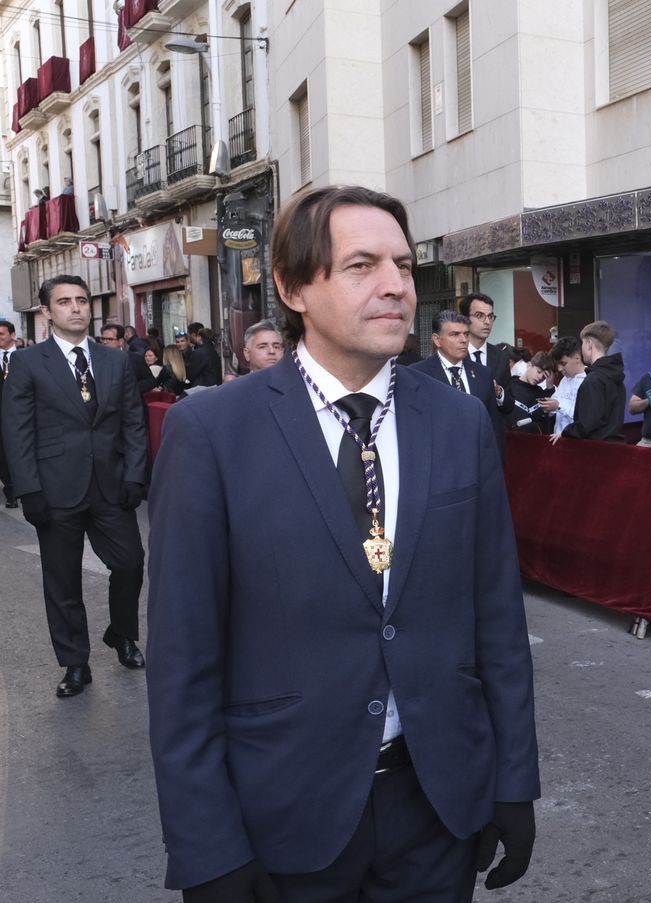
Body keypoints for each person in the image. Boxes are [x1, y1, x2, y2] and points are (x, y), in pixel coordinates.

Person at [145, 184, 539, 901]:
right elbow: (182, 662)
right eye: (362, 266)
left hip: (436, 806)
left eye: (403, 266)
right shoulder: (213, 433)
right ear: (295, 288)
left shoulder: (458, 422)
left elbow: (497, 620)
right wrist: (206, 845)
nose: (394, 286)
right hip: (284, 814)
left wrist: (513, 779)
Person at [1, 274, 149, 698]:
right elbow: (17, 431)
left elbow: (133, 423)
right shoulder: (28, 364)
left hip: (110, 486)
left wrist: (135, 475)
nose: (77, 308)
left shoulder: (115, 361)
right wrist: (29, 490)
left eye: (82, 300)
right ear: (47, 312)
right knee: (62, 581)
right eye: (65, 302)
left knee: (129, 563)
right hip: (54, 488)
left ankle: (122, 634)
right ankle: (75, 663)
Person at [412, 310, 503, 454]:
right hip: (437, 463)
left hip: (477, 462)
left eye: (466, 334)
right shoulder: (417, 375)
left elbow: (493, 427)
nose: (464, 340)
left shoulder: (483, 374)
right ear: (437, 339)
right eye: (455, 334)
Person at [557, 320, 626, 442]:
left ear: (589, 344)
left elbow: (587, 424)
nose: (581, 348)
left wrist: (565, 432)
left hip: (595, 451)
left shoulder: (594, 380)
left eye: (582, 343)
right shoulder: (616, 377)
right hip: (615, 448)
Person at [460, 292, 517, 429]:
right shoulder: (455, 354)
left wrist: (499, 393)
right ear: (464, 319)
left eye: (490, 316)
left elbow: (509, 404)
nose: (487, 322)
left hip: (493, 436)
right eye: (479, 316)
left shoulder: (501, 356)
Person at [540, 336, 585, 436]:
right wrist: (548, 407)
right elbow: (556, 400)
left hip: (577, 439)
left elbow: (585, 417)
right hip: (558, 436)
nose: (560, 369)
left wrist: (558, 406)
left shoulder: (588, 380)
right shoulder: (564, 380)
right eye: (558, 364)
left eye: (563, 363)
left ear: (577, 357)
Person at [506, 351, 557, 434]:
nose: (540, 377)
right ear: (529, 365)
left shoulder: (539, 392)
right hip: (513, 438)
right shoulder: (510, 386)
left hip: (536, 440)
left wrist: (550, 386)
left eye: (544, 377)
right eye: (539, 371)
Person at [0, 319, 18, 507]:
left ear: (12, 335)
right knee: (3, 456)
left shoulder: (26, 357)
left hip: (23, 416)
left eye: (1, 334)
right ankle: (11, 491)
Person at [185, 322, 223, 387]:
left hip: (203, 389)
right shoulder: (212, 350)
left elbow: (190, 374)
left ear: (199, 337)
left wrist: (185, 385)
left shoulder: (200, 352)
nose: (189, 337)